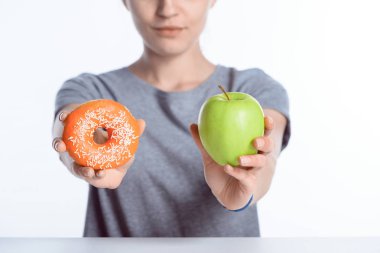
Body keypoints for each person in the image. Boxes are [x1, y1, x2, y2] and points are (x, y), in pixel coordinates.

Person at [52, 0, 291, 237]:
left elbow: (267, 159)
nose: (167, 9)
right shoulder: (91, 90)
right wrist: (83, 155)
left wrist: (243, 192)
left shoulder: (255, 89)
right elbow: (67, 126)